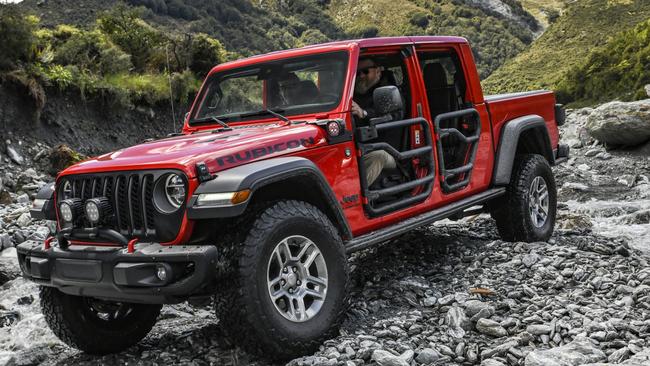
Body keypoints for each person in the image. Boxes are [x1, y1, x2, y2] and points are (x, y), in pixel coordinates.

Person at [351, 56, 398, 187]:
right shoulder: (352, 95)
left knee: (379, 156)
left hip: (389, 151)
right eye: (358, 72)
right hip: (357, 149)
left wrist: (363, 113)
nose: (361, 76)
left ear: (378, 71)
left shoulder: (390, 93)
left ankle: (352, 202)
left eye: (365, 71)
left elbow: (392, 116)